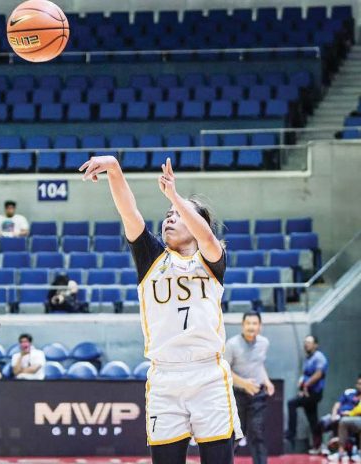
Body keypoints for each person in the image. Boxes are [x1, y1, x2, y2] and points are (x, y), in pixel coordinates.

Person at [80, 156, 241, 464]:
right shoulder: (151, 257)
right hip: (165, 376)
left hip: (208, 374)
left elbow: (206, 236)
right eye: (167, 214)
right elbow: (129, 211)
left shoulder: (211, 258)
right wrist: (114, 168)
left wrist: (175, 197)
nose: (170, 218)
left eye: (178, 215)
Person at [225, 312, 275, 464]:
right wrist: (244, 383)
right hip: (237, 396)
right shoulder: (232, 344)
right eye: (248, 323)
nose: (251, 327)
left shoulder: (264, 343)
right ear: (243, 325)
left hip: (258, 396)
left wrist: (267, 380)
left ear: (260, 326)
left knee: (257, 433)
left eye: (254, 323)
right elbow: (225, 371)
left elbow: (259, 364)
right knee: (235, 435)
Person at [286, 335, 328, 452]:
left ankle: (291, 434)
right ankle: (318, 446)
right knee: (313, 419)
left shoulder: (319, 357)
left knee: (292, 404)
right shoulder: (308, 358)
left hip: (314, 393)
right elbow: (305, 376)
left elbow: (318, 374)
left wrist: (306, 385)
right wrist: (302, 388)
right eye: (305, 342)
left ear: (316, 345)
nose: (306, 344)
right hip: (307, 393)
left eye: (309, 342)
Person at [323, 375, 361, 461]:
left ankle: (345, 451)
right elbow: (337, 404)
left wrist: (350, 414)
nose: (359, 386)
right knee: (324, 421)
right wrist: (334, 414)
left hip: (352, 419)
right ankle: (328, 449)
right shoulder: (349, 393)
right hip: (343, 417)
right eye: (358, 383)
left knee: (344, 421)